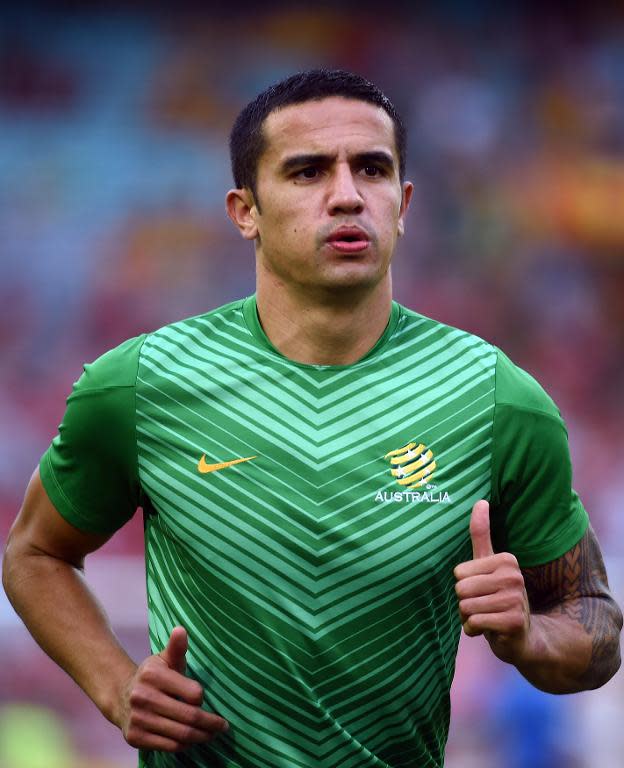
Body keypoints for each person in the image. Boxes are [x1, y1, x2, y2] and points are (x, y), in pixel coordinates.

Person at [2, 69, 622, 768]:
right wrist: (117, 689)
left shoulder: (496, 399)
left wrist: (530, 638)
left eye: (373, 169)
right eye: (307, 172)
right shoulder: (139, 386)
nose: (348, 194)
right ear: (245, 210)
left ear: (404, 202)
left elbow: (596, 626)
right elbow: (34, 554)